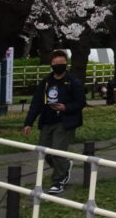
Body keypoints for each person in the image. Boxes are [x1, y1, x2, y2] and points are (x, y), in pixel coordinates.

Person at [23, 50, 86, 194]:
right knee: (44, 152)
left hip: (64, 121)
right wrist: (28, 122)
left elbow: (81, 102)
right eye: (55, 63)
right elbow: (36, 103)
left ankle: (58, 180)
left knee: (57, 151)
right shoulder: (46, 82)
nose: (58, 66)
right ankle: (65, 165)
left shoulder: (72, 81)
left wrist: (66, 107)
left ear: (66, 64)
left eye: (62, 63)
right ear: (51, 64)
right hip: (47, 120)